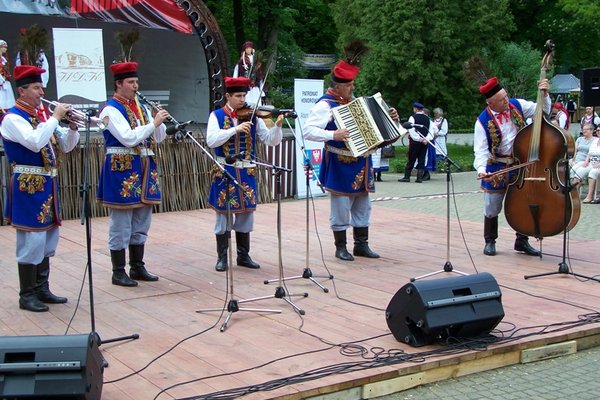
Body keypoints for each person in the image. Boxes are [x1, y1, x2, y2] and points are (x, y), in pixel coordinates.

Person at [303, 56, 399, 261]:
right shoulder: (325, 105)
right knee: (341, 206)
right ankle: (341, 246)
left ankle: (361, 245)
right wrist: (332, 135)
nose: (353, 87)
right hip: (339, 162)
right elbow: (308, 131)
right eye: (349, 85)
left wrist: (391, 119)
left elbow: (373, 130)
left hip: (362, 162)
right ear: (337, 86)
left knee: (363, 204)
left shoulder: (355, 103)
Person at [0, 65, 79, 312]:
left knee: (47, 238)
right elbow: (35, 143)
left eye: (41, 87)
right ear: (21, 91)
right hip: (27, 184)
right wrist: (55, 117)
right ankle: (27, 294)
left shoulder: (41, 117)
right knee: (31, 239)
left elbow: (65, 146)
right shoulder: (12, 118)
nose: (40, 91)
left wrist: (73, 127)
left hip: (47, 184)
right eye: (35, 87)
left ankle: (42, 288)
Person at [97, 61, 170, 286]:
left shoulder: (142, 108)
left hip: (145, 167)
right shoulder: (110, 109)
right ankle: (118, 271)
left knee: (142, 219)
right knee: (121, 222)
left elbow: (159, 138)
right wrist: (152, 123)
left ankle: (137, 266)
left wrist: (158, 122)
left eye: (136, 82)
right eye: (130, 82)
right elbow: (128, 138)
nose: (135, 86)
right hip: (122, 168)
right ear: (118, 84)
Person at [206, 76, 284, 271]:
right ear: (228, 96)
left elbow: (269, 140)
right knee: (223, 215)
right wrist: (235, 129)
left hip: (247, 170)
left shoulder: (253, 117)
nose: (242, 100)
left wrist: (277, 126)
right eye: (238, 96)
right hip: (226, 170)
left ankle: (243, 255)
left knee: (246, 215)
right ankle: (222, 257)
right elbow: (211, 140)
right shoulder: (216, 115)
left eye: (244, 96)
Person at [473, 76, 551, 257]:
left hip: (520, 163)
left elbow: (543, 111)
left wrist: (545, 95)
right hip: (496, 166)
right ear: (491, 102)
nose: (506, 101)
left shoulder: (518, 105)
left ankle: (522, 240)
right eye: (501, 100)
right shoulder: (482, 121)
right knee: (492, 206)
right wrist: (482, 170)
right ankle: (490, 240)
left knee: (524, 202)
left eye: (506, 96)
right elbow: (481, 151)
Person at [398, 102, 434, 183]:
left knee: (411, 158)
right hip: (424, 142)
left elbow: (411, 130)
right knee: (422, 159)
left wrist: (418, 139)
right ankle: (419, 177)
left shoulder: (413, 117)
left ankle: (407, 177)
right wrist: (426, 139)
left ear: (416, 109)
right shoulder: (427, 118)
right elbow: (430, 131)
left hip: (415, 142)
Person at [232, 41, 264, 106]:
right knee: (247, 103)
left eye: (250, 48)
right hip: (245, 87)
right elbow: (236, 74)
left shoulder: (256, 60)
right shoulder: (241, 62)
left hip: (255, 86)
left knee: (257, 104)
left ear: (252, 49)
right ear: (245, 50)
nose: (248, 50)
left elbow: (260, 76)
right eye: (247, 48)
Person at [580, 135, 600, 204]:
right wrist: (586, 161)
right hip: (591, 163)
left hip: (598, 164)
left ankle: (589, 196)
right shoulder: (595, 141)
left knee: (593, 173)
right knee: (580, 170)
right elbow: (589, 153)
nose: (598, 132)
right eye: (597, 130)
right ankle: (574, 195)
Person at [0, 40, 16, 110]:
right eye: (3, 47)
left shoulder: (3, 59)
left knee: (8, 100)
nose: (5, 49)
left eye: (6, 47)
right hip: (1, 81)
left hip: (5, 81)